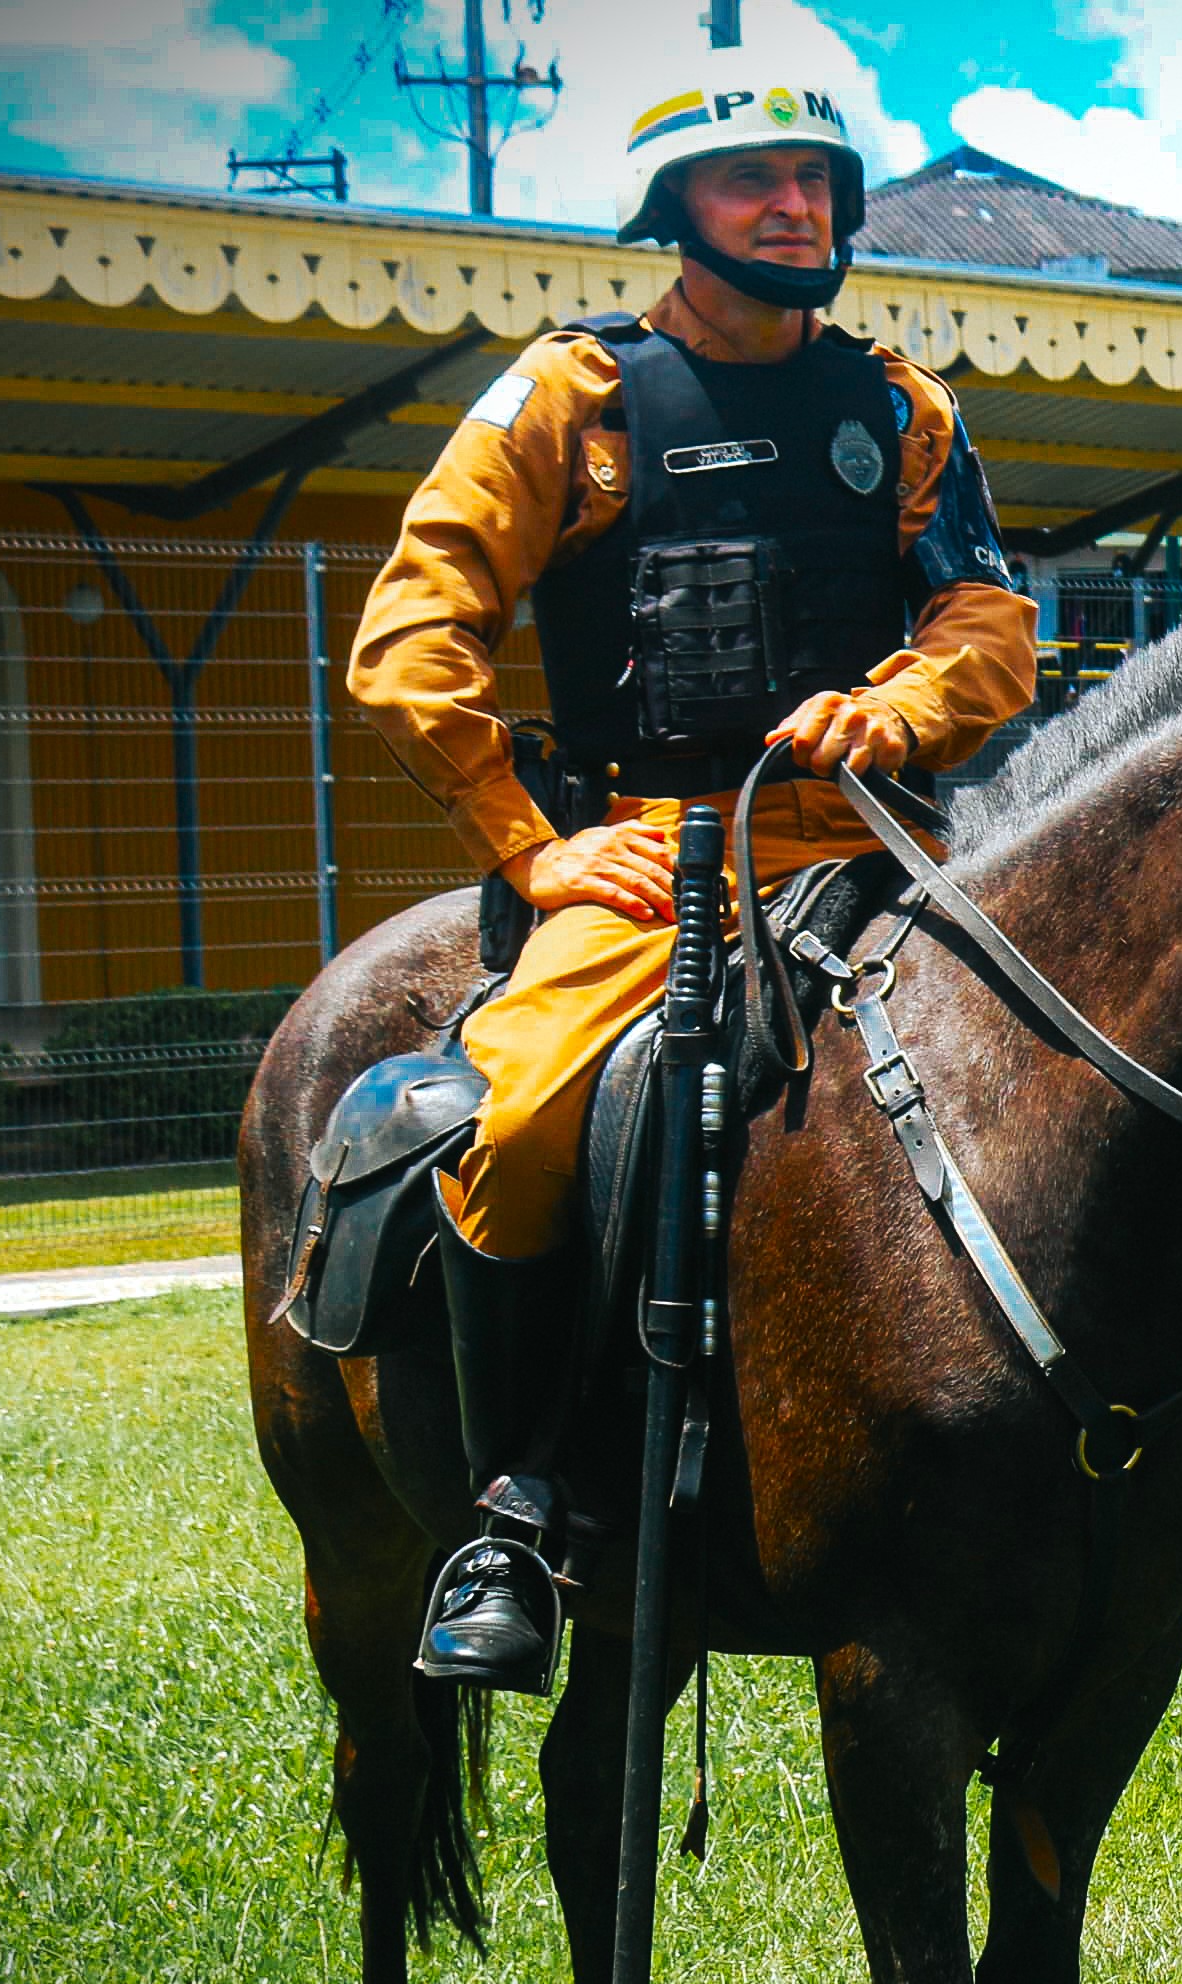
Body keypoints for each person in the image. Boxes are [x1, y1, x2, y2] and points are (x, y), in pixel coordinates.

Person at [347, 56, 1034, 1693]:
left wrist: (900, 705)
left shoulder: (898, 405)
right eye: (751, 182)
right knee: (514, 1120)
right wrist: (535, 840)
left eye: (815, 179)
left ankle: (1135, 1442)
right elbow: (409, 643)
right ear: (677, 214)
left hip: (880, 836)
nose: (792, 205)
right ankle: (511, 1511)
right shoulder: (566, 399)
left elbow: (990, 620)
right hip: (655, 857)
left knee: (1101, 1045)